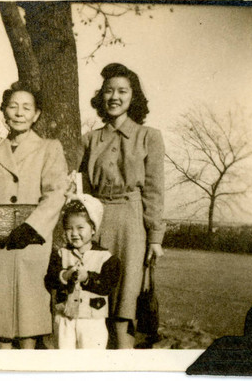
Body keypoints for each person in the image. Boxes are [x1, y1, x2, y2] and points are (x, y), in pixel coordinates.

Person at [0, 82, 68, 349]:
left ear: (36, 115)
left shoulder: (50, 148)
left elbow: (56, 193)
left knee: (29, 325)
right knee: (0, 325)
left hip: (31, 244)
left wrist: (32, 227)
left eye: (27, 108)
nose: (19, 113)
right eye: (13, 107)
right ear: (4, 112)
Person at [78, 63, 165, 349]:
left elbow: (153, 190)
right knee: (93, 303)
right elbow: (85, 192)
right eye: (109, 91)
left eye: (122, 91)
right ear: (101, 97)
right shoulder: (90, 140)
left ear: (133, 97)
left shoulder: (149, 137)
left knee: (124, 307)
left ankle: (125, 364)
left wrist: (154, 238)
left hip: (132, 225)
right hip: (96, 223)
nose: (114, 96)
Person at [45, 195, 120, 349]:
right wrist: (64, 275)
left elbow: (107, 285)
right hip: (65, 317)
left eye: (80, 228)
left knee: (90, 359)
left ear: (93, 229)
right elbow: (50, 279)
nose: (74, 233)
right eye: (68, 228)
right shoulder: (60, 254)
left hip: (92, 321)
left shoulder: (106, 258)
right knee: (65, 358)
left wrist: (87, 278)